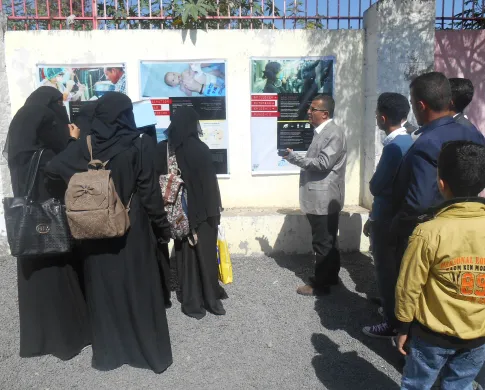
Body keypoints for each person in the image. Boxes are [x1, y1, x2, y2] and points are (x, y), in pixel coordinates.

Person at [45, 92, 173, 373]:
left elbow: (53, 168)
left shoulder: (85, 146)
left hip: (95, 229)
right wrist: (163, 226)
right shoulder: (137, 144)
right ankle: (148, 354)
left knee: (104, 291)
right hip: (132, 229)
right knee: (138, 288)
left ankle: (109, 355)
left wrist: (81, 184)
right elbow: (150, 193)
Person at [3, 87, 90, 361]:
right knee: (57, 280)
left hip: (28, 232)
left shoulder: (19, 153)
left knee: (35, 286)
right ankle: (65, 339)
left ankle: (37, 339)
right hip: (50, 229)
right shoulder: (46, 157)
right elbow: (71, 168)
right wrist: (73, 141)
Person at [396, 141, 485, 390]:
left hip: (431, 337)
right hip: (479, 335)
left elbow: (408, 286)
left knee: (417, 384)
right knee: (461, 384)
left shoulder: (428, 232)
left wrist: (403, 325)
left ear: (441, 184)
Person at [392, 72, 485, 273]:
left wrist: (397, 223)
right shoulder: (473, 133)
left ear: (421, 106)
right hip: (469, 227)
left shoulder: (426, 142)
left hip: (429, 233)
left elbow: (420, 201)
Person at [154, 106, 227, 319]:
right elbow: (210, 188)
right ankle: (210, 298)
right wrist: (215, 216)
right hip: (203, 214)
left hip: (178, 214)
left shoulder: (163, 150)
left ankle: (191, 300)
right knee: (204, 255)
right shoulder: (200, 149)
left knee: (184, 255)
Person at [362, 93, 414, 338]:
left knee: (385, 268)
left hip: (386, 218)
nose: (376, 119)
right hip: (401, 216)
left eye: (376, 115)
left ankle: (391, 322)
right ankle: (395, 312)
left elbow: (376, 186)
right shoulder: (411, 141)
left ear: (383, 117)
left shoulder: (394, 147)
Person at [284, 95, 347, 296]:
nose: (309, 112)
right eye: (310, 108)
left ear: (325, 113)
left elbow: (322, 164)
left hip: (324, 198)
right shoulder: (323, 132)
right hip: (323, 197)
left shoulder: (333, 133)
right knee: (328, 240)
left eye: (313, 109)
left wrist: (294, 158)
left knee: (322, 242)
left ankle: (320, 285)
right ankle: (330, 277)